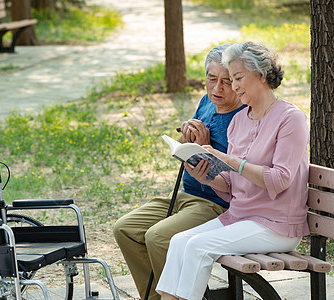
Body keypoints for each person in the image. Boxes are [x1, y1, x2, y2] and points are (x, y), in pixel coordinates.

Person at [156, 42, 310, 300]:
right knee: (179, 241)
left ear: (261, 76)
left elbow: (280, 179)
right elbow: (230, 184)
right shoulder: (239, 120)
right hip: (241, 218)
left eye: (238, 78)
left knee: (197, 247)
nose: (234, 86)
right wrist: (205, 175)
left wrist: (230, 160)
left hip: (277, 226)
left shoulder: (290, 118)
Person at [113, 43, 246, 300]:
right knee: (125, 228)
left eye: (227, 82)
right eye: (211, 79)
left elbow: (238, 174)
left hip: (216, 204)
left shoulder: (244, 117)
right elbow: (194, 147)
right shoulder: (207, 102)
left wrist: (203, 147)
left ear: (239, 82)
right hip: (186, 195)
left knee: (158, 237)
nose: (217, 88)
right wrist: (188, 136)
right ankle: (155, 297)